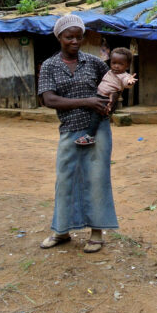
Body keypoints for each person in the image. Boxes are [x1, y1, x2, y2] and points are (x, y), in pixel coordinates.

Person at [37, 14, 119, 253]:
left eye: (79, 36)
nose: (74, 41)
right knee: (65, 179)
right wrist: (87, 101)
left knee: (97, 178)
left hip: (98, 129)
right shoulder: (50, 66)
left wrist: (110, 102)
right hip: (70, 129)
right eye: (68, 37)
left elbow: (113, 84)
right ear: (59, 38)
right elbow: (48, 99)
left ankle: (96, 233)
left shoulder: (94, 63)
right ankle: (61, 231)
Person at [75, 47, 137, 146]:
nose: (116, 66)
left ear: (127, 65)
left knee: (96, 115)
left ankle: (90, 136)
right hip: (99, 95)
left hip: (106, 99)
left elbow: (127, 82)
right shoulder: (110, 72)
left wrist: (130, 82)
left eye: (120, 64)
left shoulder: (124, 75)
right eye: (114, 63)